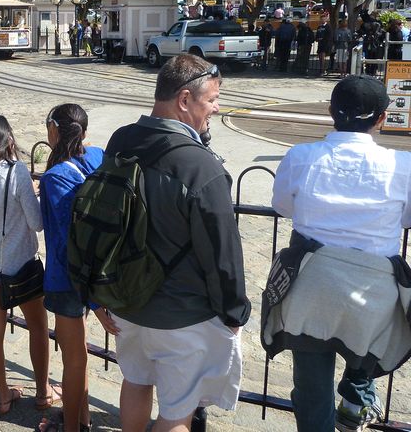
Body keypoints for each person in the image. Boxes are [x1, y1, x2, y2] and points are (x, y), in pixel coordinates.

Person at [103, 54, 250, 432]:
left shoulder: (120, 141)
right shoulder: (200, 165)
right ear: (184, 100)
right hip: (181, 315)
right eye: (212, 100)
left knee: (135, 381)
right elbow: (222, 252)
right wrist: (234, 313)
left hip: (126, 304)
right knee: (176, 413)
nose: (216, 108)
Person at [268, 75, 411, 432]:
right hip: (373, 294)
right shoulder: (404, 167)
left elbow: (282, 205)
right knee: (366, 349)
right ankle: (357, 398)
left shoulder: (301, 157)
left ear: (331, 112)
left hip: (312, 286)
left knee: (313, 388)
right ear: (382, 118)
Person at [0, 113, 60, 416]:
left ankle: (3, 397)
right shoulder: (14, 171)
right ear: (7, 141)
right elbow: (37, 222)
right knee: (38, 328)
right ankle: (43, 392)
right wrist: (33, 192)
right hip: (20, 264)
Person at [38, 103, 112, 432]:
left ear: (54, 129)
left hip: (66, 277)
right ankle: (82, 419)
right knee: (79, 356)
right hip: (99, 272)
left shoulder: (55, 178)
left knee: (74, 358)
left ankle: (71, 428)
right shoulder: (99, 156)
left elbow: (65, 243)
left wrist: (93, 303)